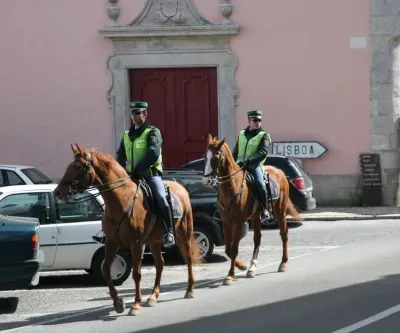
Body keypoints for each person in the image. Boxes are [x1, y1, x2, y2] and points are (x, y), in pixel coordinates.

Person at [116, 101, 175, 248]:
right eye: (132, 113)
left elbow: (153, 153)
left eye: (137, 113)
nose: (134, 116)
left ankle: (169, 232)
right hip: (130, 176)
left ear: (145, 114)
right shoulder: (126, 135)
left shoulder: (152, 132)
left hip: (149, 174)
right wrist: (121, 171)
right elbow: (120, 155)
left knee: (161, 198)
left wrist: (137, 169)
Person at [232, 109, 273, 225]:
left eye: (259, 120)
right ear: (249, 121)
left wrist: (248, 161)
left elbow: (263, 153)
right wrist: (232, 162)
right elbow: (235, 151)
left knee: (260, 184)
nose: (258, 122)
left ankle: (264, 210)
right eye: (255, 120)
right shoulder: (241, 134)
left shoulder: (264, 135)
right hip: (239, 166)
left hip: (254, 166)